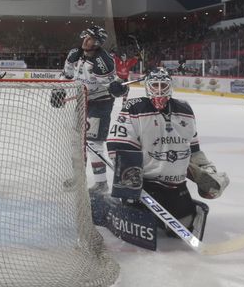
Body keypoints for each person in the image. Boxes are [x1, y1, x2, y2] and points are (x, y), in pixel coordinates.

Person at [107, 68, 230, 237]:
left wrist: (206, 171)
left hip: (176, 185)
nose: (159, 90)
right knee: (142, 225)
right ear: (147, 87)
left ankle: (180, 208)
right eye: (154, 85)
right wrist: (130, 179)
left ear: (170, 86)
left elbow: (194, 149)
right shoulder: (134, 108)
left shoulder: (185, 110)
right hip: (146, 185)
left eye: (163, 85)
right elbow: (118, 145)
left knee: (181, 229)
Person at [53, 25, 125, 190]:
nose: (85, 40)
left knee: (93, 143)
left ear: (97, 43)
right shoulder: (74, 53)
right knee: (77, 141)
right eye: (85, 36)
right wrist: (59, 90)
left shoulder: (103, 62)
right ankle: (79, 178)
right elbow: (67, 74)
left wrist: (118, 88)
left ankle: (101, 183)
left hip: (100, 102)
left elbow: (114, 86)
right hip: (82, 100)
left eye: (90, 38)